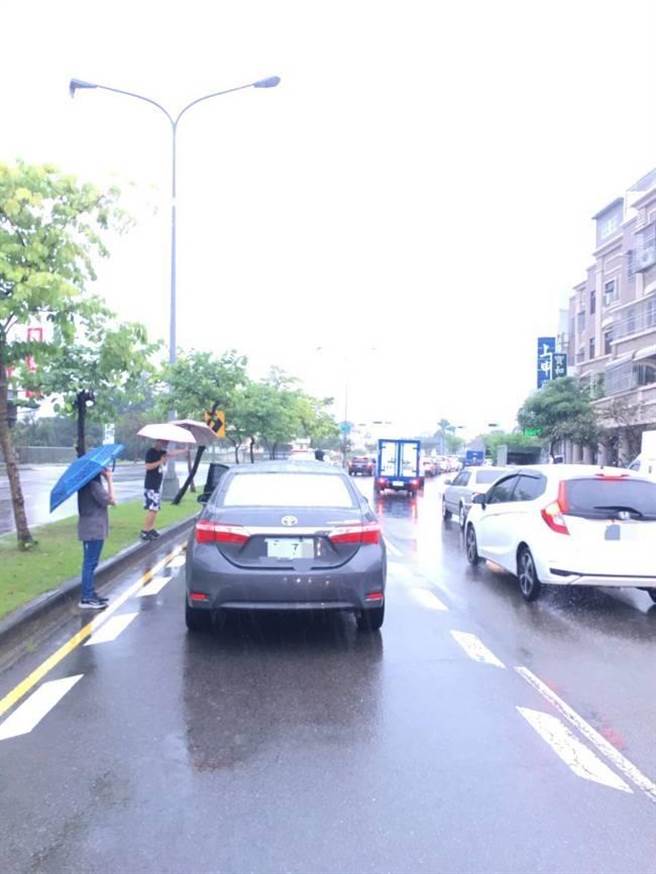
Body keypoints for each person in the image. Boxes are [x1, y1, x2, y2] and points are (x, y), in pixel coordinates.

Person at [78, 468, 116, 609]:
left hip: (91, 528)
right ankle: (87, 597)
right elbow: (111, 500)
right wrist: (109, 479)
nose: (104, 469)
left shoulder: (85, 483)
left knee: (91, 563)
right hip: (93, 529)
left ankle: (90, 593)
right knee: (90, 563)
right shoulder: (93, 484)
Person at [141, 440, 183, 540]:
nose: (165, 444)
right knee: (152, 509)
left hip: (156, 486)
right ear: (157, 441)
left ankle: (151, 529)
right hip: (151, 485)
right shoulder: (151, 452)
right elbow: (147, 466)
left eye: (166, 443)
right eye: (163, 442)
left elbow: (171, 453)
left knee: (155, 509)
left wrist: (185, 450)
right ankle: (145, 531)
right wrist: (160, 461)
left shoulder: (161, 453)